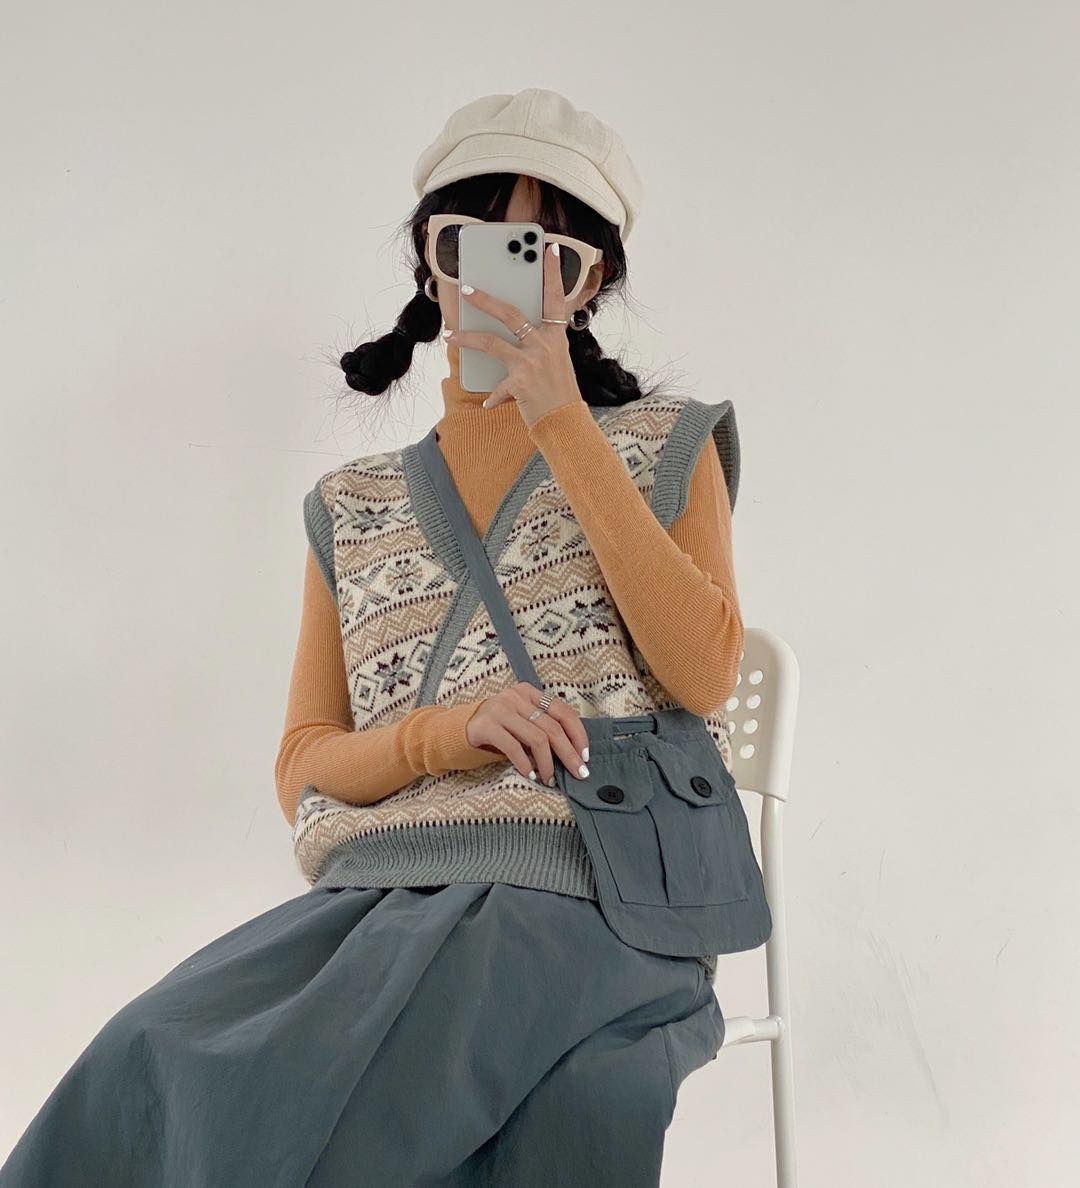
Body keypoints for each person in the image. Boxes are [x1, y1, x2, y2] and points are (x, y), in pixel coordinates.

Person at [1, 87, 747, 1187]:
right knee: (150, 1050)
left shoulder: (665, 447)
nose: (509, 281)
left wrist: (561, 422)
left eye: (555, 257)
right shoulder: (352, 507)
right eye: (474, 243)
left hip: (591, 893)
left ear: (592, 287)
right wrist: (449, 731)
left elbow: (705, 671)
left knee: (322, 1106)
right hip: (384, 899)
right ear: (431, 264)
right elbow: (304, 764)